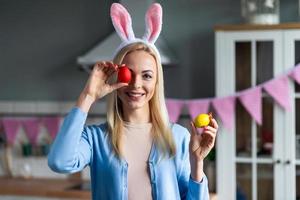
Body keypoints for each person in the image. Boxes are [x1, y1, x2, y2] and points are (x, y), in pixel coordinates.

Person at [48, 3, 218, 200]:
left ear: (156, 82)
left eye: (146, 76)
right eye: (128, 74)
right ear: (116, 78)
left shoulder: (178, 137)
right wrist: (88, 96)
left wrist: (197, 163)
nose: (136, 85)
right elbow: (59, 162)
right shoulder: (96, 138)